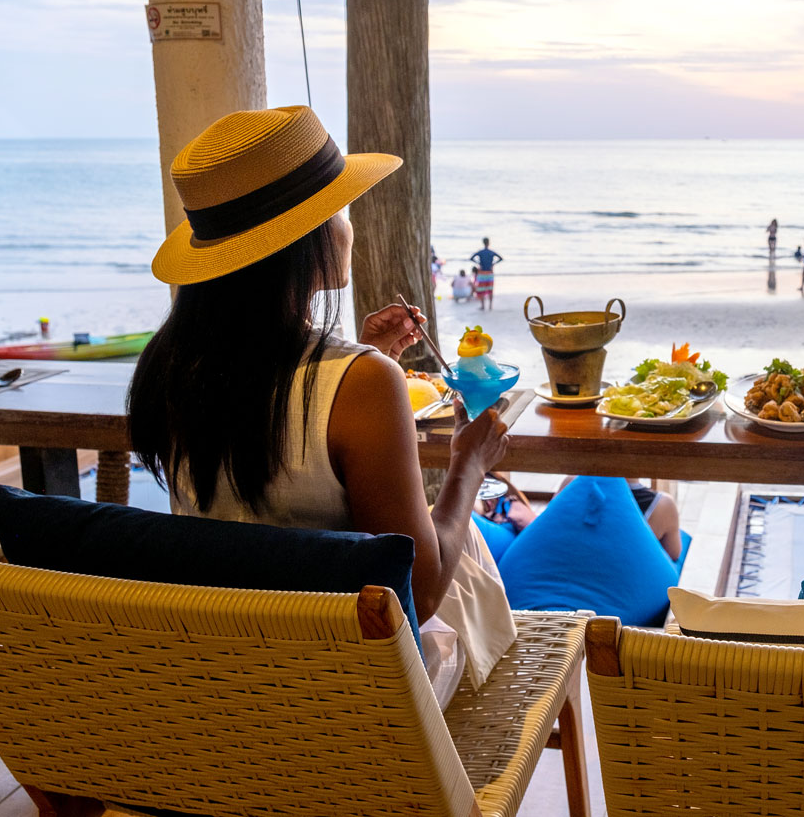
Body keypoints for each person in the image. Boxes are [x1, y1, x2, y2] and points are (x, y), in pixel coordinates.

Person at [128, 106, 515, 707]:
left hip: (227, 672)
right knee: (470, 551)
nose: (349, 224)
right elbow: (420, 589)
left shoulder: (171, 366)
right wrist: (469, 461)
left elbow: (275, 442)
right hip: (343, 693)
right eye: (339, 208)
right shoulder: (359, 384)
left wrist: (361, 360)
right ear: (302, 239)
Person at [469, 237, 502, 309]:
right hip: (490, 273)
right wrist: (493, 264)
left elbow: (471, 258)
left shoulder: (480, 252)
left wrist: (478, 263)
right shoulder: (491, 252)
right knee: (490, 290)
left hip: (482, 273)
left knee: (482, 290)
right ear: (489, 243)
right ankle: (490, 306)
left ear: (483, 243)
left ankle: (483, 306)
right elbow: (500, 258)